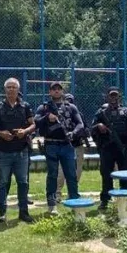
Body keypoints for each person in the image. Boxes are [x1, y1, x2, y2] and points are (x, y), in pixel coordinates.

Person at [0, 77, 36, 223]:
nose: (11, 89)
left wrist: (25, 131)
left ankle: (23, 212)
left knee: (23, 182)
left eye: (14, 87)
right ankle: (2, 212)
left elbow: (33, 125)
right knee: (2, 182)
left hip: (22, 151)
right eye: (8, 87)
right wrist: (1, 133)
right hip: (4, 151)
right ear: (5, 90)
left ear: (18, 89)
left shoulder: (25, 106)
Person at [35, 81, 84, 214]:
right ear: (50, 92)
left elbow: (80, 124)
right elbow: (35, 122)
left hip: (67, 144)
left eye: (59, 89)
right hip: (51, 144)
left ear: (62, 91)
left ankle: (74, 202)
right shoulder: (44, 107)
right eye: (54, 89)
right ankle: (52, 204)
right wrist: (47, 118)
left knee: (71, 174)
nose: (56, 91)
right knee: (52, 175)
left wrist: (73, 133)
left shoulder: (71, 107)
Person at [92, 87, 127, 208]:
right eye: (111, 95)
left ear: (119, 96)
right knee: (106, 174)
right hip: (107, 148)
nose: (113, 98)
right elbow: (92, 128)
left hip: (123, 148)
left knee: (125, 175)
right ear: (107, 96)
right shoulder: (101, 112)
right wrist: (99, 125)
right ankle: (105, 199)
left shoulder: (126, 112)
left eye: (115, 95)